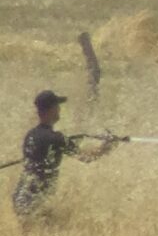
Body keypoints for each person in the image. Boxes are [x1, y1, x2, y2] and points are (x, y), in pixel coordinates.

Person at [14, 90, 114, 223]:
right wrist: (107, 146)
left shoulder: (30, 135)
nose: (59, 109)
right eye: (57, 106)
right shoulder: (56, 138)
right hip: (38, 201)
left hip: (21, 197)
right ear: (51, 109)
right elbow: (86, 157)